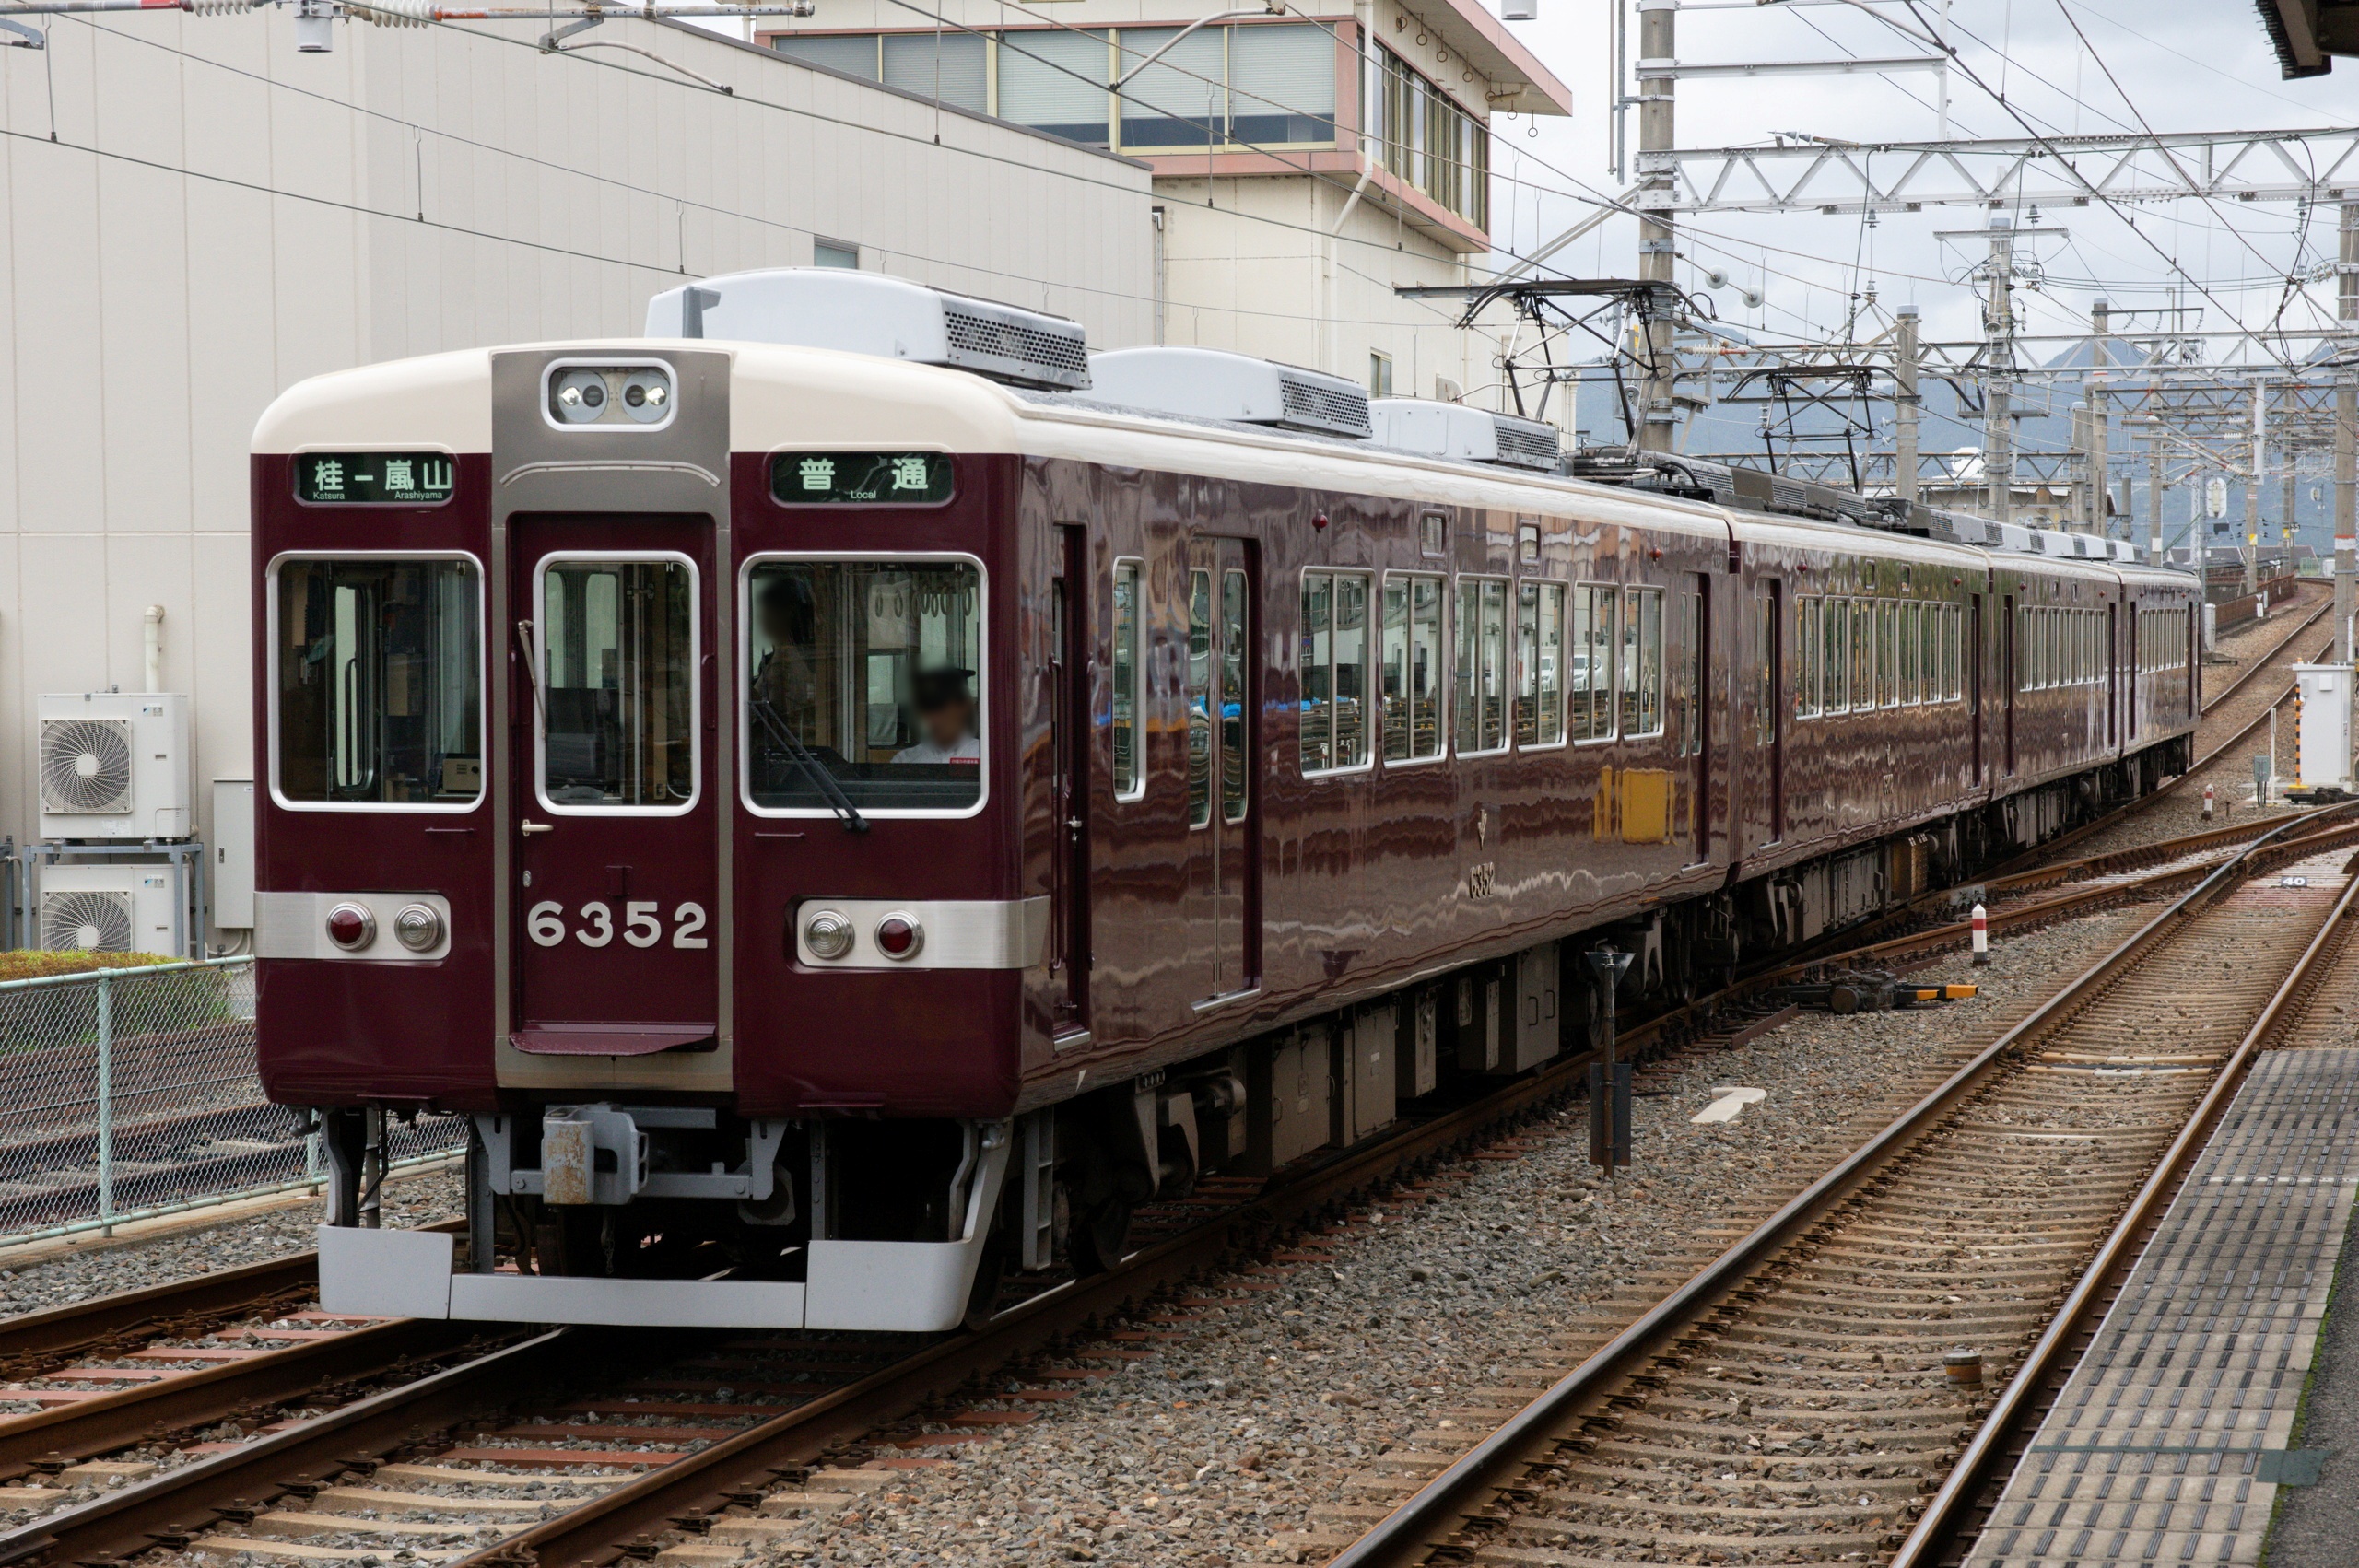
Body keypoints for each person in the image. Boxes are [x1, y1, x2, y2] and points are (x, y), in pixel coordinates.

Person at [894, 669, 980, 765]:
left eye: (942, 708)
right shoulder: (905, 761)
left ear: (964, 707)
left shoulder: (984, 755)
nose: (934, 718)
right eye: (928, 709)